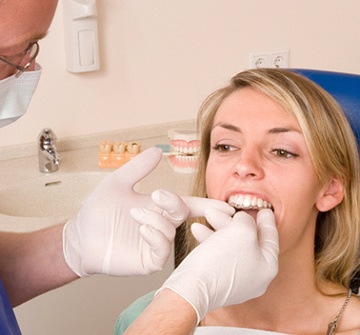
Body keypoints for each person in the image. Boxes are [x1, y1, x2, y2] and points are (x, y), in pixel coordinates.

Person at [0, 1, 238, 333]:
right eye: (11, 55)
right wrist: (185, 295)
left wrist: (71, 246)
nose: (27, 67)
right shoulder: (137, 316)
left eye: (283, 152)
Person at [116, 68, 360, 335]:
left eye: (282, 151)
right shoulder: (145, 317)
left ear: (330, 189)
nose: (244, 165)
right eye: (225, 146)